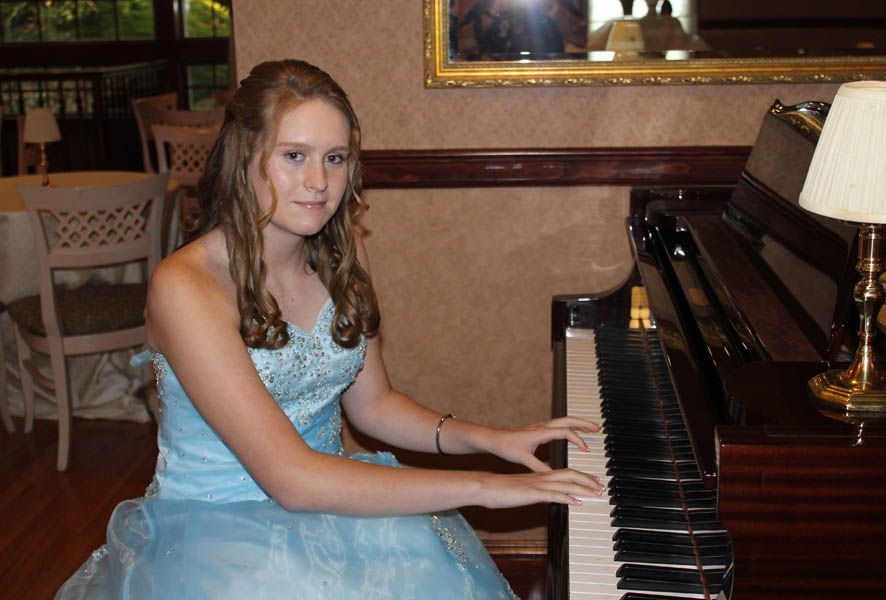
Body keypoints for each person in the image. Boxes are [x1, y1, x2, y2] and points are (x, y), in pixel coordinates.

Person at [56, 59, 602, 599]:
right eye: (294, 156)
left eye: (335, 158)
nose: (319, 182)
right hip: (217, 539)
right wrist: (487, 488)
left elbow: (374, 406)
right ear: (245, 155)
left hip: (332, 500)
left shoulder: (345, 253)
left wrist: (489, 439)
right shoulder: (186, 286)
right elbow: (292, 480)